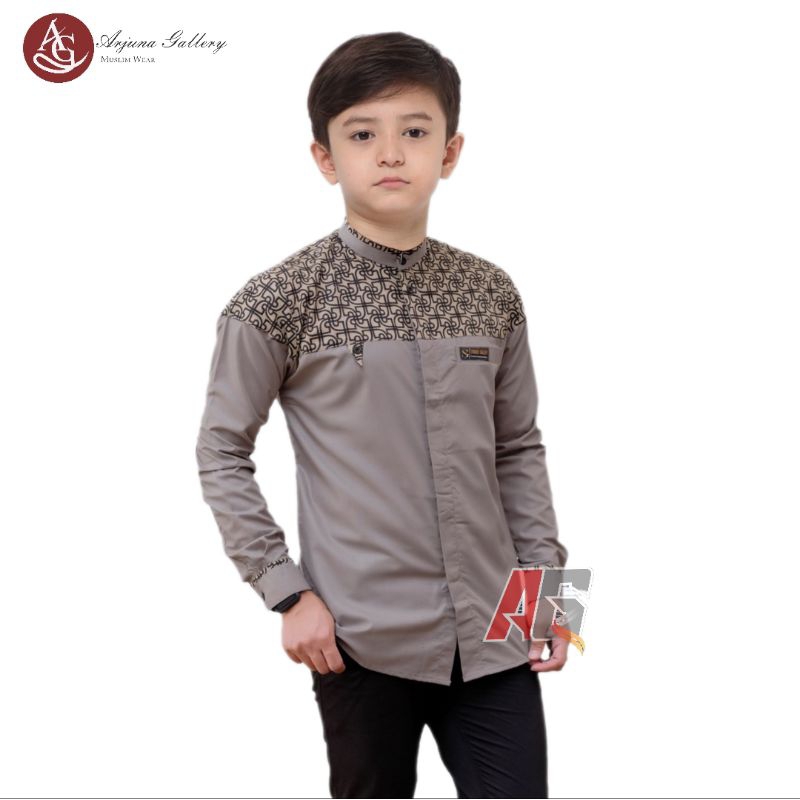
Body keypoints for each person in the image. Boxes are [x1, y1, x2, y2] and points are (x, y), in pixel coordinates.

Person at [195, 30, 569, 799]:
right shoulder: (275, 300)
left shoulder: (491, 290)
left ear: (451, 151)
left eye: (415, 132)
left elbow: (519, 448)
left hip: (497, 633)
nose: (391, 154)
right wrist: (286, 592)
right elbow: (221, 451)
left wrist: (553, 595)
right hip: (358, 638)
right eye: (363, 135)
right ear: (325, 157)